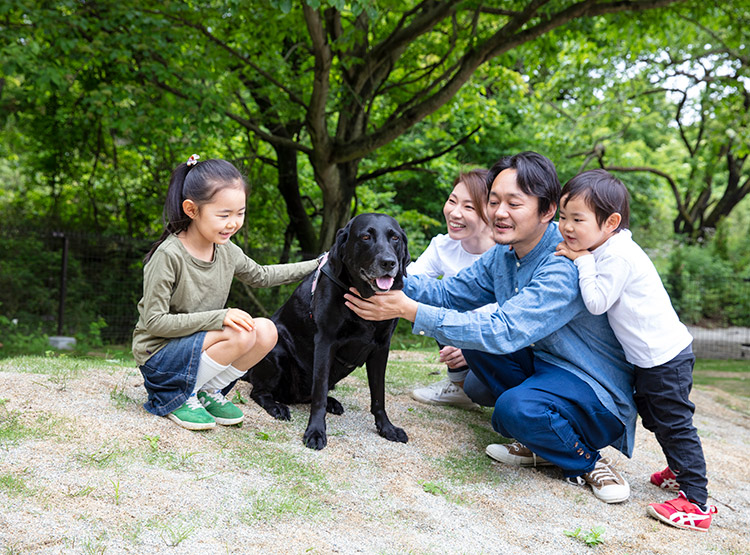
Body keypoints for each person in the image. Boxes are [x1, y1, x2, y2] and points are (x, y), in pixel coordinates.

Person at [345, 151, 637, 505]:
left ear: (547, 212)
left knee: (514, 410)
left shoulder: (563, 262)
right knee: (476, 361)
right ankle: (541, 441)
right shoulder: (504, 253)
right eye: (494, 201)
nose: (499, 212)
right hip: (547, 366)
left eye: (514, 203)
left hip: (595, 389)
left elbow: (504, 330)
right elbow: (450, 292)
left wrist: (409, 310)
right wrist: (382, 278)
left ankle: (587, 459)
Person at [555, 169, 717, 531]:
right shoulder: (607, 247)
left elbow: (596, 302)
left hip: (665, 358)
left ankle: (696, 501)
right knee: (654, 416)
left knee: (675, 425)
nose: (566, 227)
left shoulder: (618, 255)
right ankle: (678, 469)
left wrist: (581, 261)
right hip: (649, 359)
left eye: (577, 219)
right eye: (563, 217)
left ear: (610, 222)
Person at [132, 154, 318, 431]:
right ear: (192, 210)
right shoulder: (169, 255)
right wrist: (220, 317)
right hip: (160, 358)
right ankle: (177, 396)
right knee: (238, 330)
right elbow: (155, 322)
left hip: (196, 348)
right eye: (224, 215)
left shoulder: (226, 250)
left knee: (266, 330)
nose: (233, 223)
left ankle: (207, 392)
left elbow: (262, 276)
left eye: (240, 213)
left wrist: (318, 265)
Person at [408, 169, 496, 408]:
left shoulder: (507, 254)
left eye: (469, 207)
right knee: (427, 297)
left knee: (479, 389)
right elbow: (409, 283)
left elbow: (511, 322)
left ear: (491, 212)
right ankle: (458, 386)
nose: (454, 213)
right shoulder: (443, 245)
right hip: (459, 334)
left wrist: (470, 347)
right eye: (452, 201)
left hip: (498, 347)